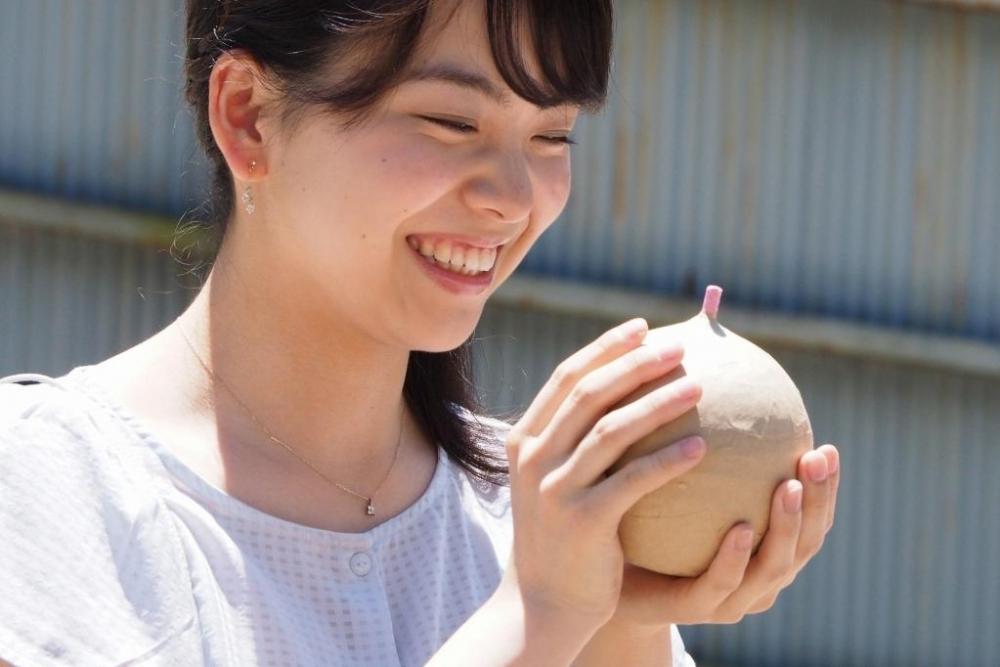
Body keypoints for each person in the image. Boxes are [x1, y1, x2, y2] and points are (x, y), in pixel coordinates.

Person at [0, 0, 841, 665]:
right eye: (451, 122)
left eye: (552, 135)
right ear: (248, 115)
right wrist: (536, 620)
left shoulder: (545, 518)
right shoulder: (44, 486)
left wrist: (620, 619)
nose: (515, 197)